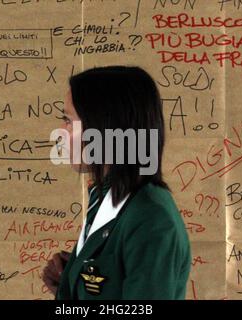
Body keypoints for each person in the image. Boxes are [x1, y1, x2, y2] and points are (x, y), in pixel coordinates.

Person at [42, 65, 191, 300]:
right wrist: (72, 280)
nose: (61, 132)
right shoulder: (106, 197)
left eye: (69, 120)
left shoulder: (151, 219)